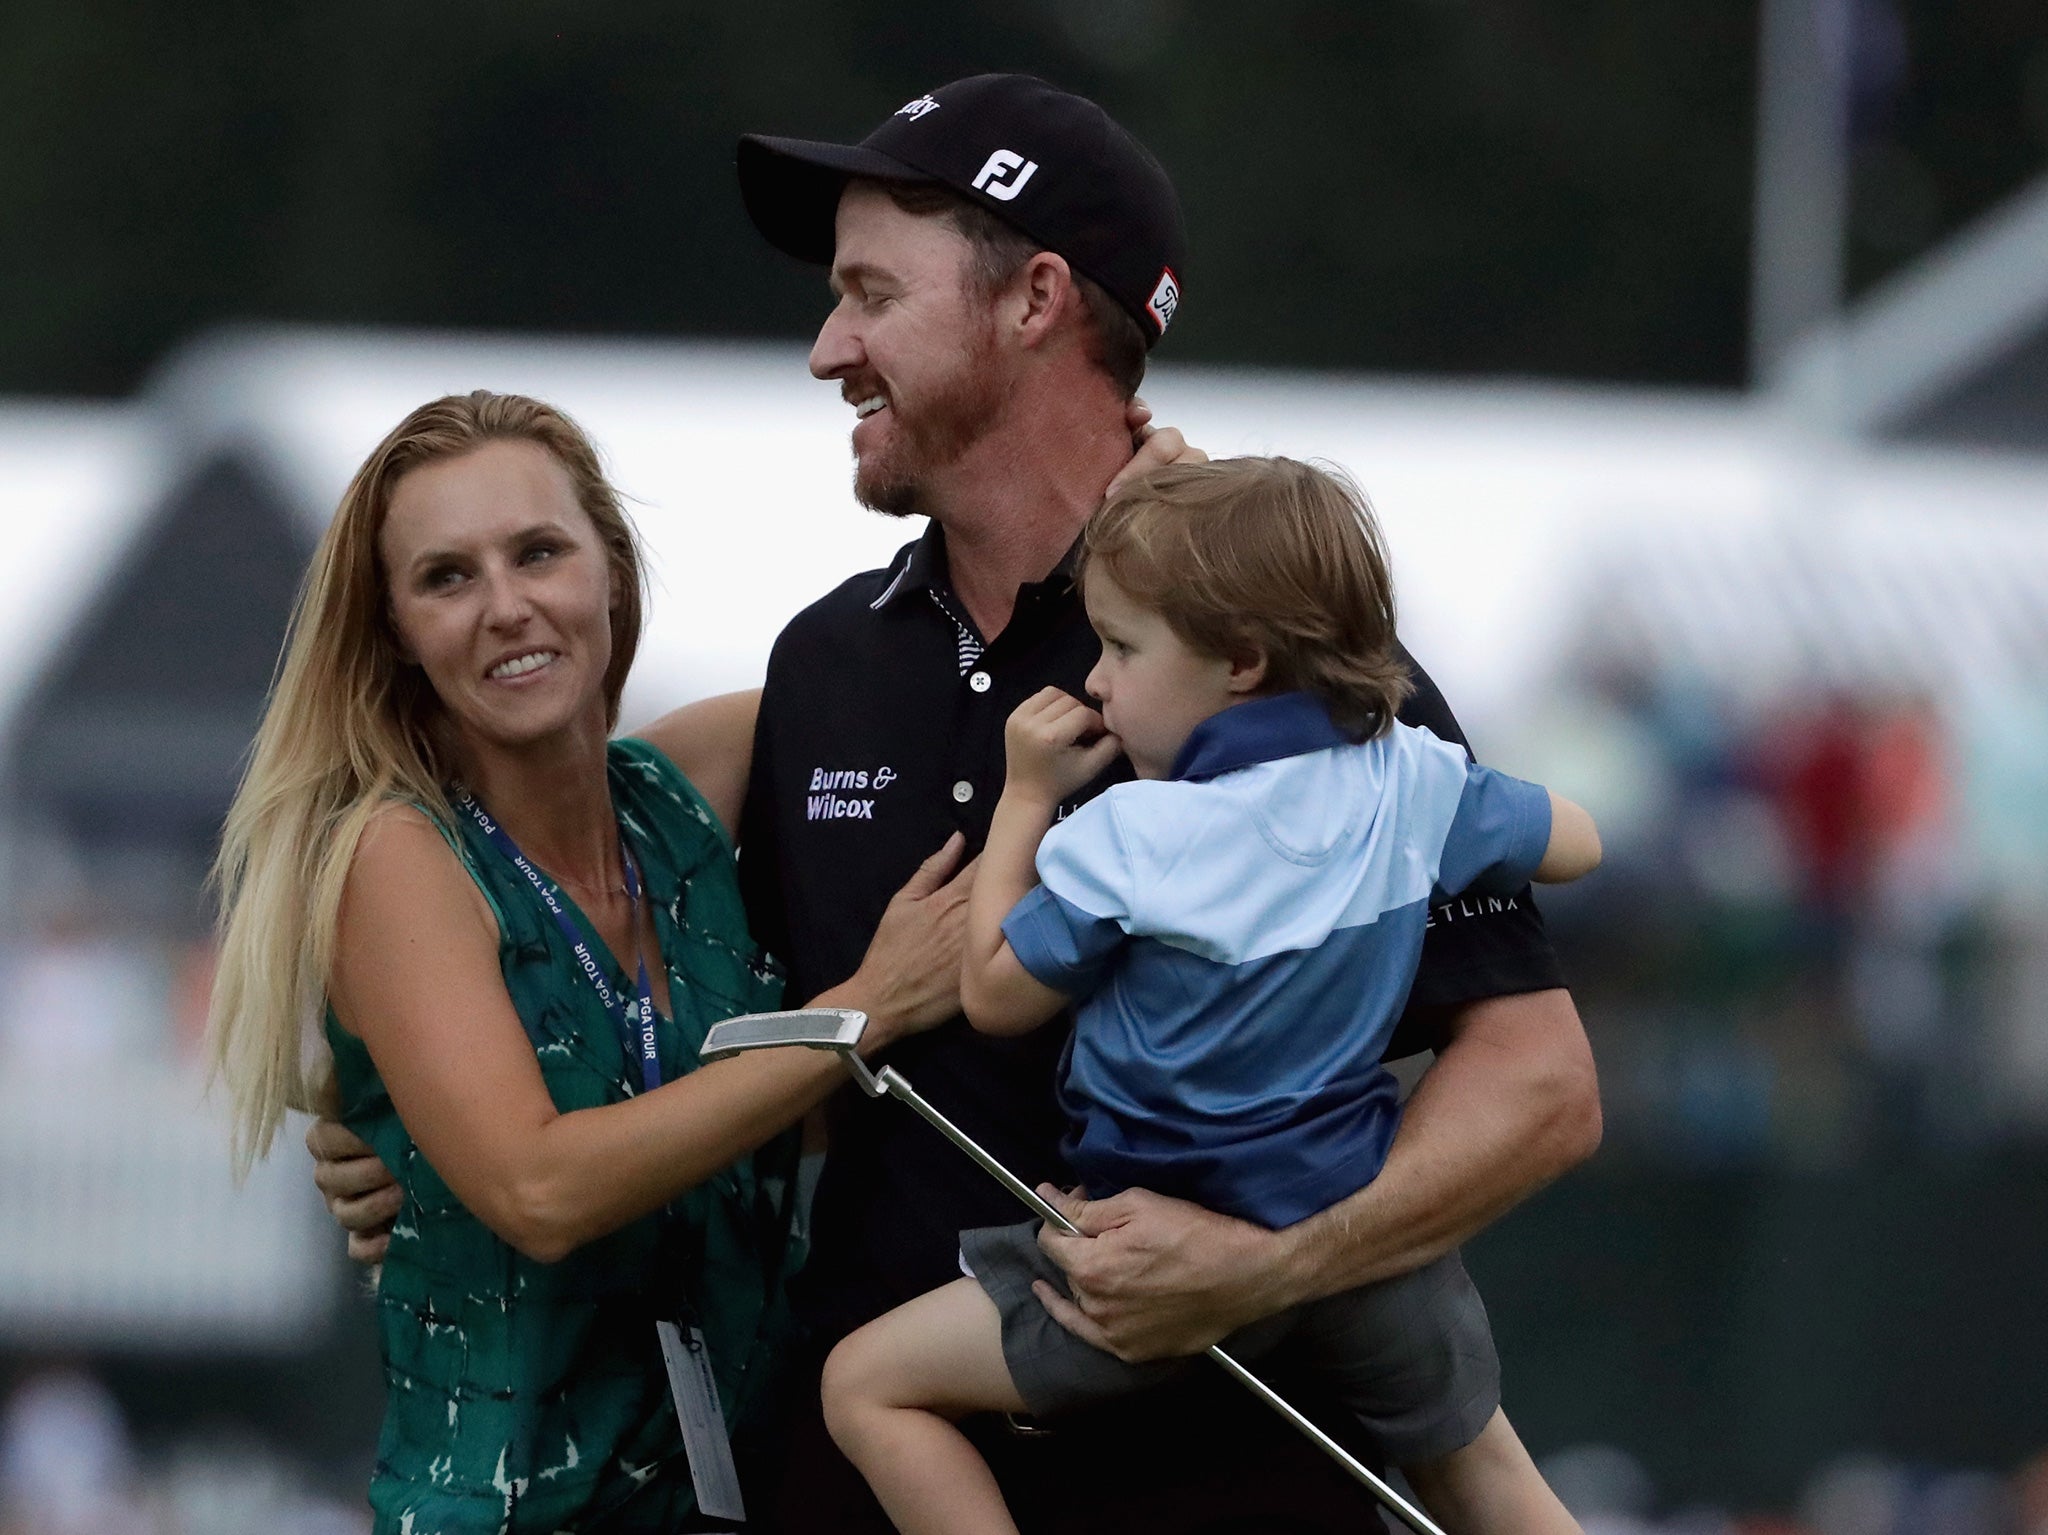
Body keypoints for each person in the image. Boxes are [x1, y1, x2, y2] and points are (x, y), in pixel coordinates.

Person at [315, 74, 1603, 1532]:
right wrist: (404, 1140)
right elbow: (723, 1051)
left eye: (872, 294)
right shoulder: (823, 666)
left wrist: (1273, 1265)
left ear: (1036, 297)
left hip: (1230, 1480)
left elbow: (1543, 1084)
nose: (826, 349)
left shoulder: (1270, 657)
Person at [206, 390, 978, 1533]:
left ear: (609, 571)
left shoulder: (688, 785)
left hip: (742, 1490)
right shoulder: (398, 856)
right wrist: (860, 1013)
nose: (508, 607)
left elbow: (962, 686)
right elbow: (540, 1188)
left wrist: (1141, 514)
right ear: (395, 633)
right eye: (446, 577)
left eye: (539, 552)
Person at [820, 456, 1598, 1535]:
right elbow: (1578, 840)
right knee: (1492, 1482)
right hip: (1362, 1245)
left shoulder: (1129, 835)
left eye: (1122, 647)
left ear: (1240, 659)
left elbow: (996, 991)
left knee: (864, 1383)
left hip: (1143, 1265)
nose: (1095, 678)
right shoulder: (1413, 780)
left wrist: (1025, 800)